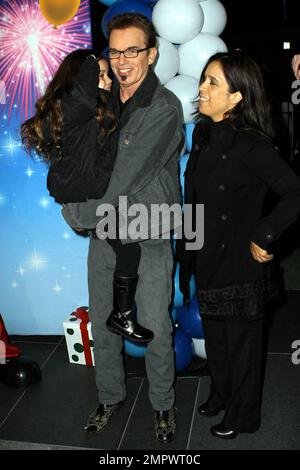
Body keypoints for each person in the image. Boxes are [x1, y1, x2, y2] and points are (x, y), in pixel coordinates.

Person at [61, 13, 183, 443]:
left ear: (151, 54)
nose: (123, 60)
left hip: (146, 229)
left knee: (155, 323)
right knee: (102, 319)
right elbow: (80, 158)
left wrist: (77, 213)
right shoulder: (102, 99)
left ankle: (163, 404)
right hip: (106, 233)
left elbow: (124, 175)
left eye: (133, 50)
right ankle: (110, 396)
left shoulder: (164, 107)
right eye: (115, 51)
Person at [177, 52, 300, 439]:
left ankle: (244, 416)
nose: (202, 88)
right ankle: (221, 393)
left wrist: (265, 235)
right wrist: (188, 249)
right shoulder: (203, 133)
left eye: (213, 82)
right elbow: (195, 195)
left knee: (243, 346)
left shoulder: (252, 145)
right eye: (204, 79)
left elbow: (295, 192)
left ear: (237, 97)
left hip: (241, 263)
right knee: (216, 337)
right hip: (208, 255)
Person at [20, 49, 154, 345]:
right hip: (87, 197)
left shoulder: (83, 110)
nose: (107, 81)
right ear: (81, 78)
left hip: (90, 195)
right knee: (130, 251)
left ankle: (122, 314)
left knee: (128, 250)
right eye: (100, 75)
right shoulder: (75, 106)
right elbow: (84, 93)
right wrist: (93, 60)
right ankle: (123, 315)